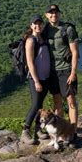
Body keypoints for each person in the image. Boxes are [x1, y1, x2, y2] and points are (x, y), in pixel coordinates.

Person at [42, 4, 80, 145]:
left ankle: (73, 132)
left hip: (66, 69)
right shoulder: (45, 29)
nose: (54, 15)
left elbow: (75, 52)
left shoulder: (67, 29)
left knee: (71, 102)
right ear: (46, 15)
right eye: (51, 13)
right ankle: (59, 133)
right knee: (57, 103)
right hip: (52, 71)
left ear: (59, 14)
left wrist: (73, 72)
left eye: (56, 12)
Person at [20, 15, 51, 145]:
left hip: (45, 77)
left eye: (40, 23)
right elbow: (30, 63)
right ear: (31, 26)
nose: (38, 26)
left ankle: (38, 130)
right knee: (36, 104)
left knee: (40, 105)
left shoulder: (41, 37)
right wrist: (37, 81)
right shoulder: (31, 40)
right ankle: (25, 132)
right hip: (36, 78)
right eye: (35, 24)